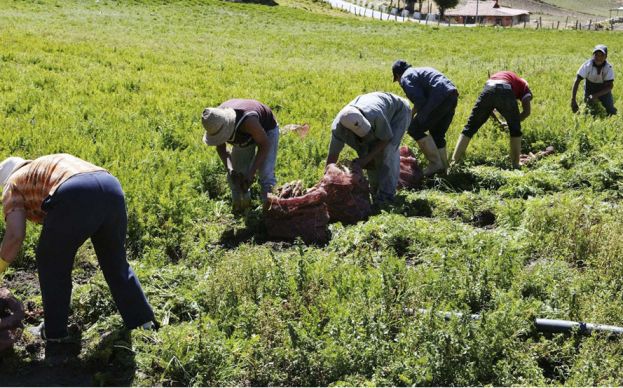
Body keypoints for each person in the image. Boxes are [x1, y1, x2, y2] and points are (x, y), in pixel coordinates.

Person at [0, 154, 156, 344]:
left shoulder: (12, 183)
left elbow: (15, 236)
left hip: (75, 192)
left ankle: (54, 332)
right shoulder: (42, 168)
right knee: (115, 262)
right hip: (110, 186)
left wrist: (0, 266)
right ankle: (143, 323)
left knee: (51, 261)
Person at [326, 92, 411, 205]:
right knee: (366, 150)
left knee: (388, 150)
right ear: (348, 131)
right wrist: (327, 180)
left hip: (398, 113)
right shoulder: (338, 129)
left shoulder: (375, 115)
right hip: (375, 119)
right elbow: (333, 155)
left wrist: (365, 160)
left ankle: (386, 197)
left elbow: (386, 139)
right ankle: (375, 191)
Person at [202, 99, 279, 212]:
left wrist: (252, 172)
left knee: (265, 174)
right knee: (237, 176)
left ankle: (271, 212)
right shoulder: (214, 120)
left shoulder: (248, 121)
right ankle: (242, 209)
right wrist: (230, 169)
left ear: (228, 127)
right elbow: (221, 148)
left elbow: (264, 145)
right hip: (243, 137)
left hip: (267, 130)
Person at [451, 71, 532, 169]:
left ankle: (454, 163)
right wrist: (512, 122)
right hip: (505, 89)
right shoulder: (524, 87)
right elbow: (527, 112)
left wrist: (499, 123)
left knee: (469, 128)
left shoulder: (505, 77)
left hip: (488, 88)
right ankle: (515, 164)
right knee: (515, 130)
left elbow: (488, 108)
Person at [392, 59, 459, 176]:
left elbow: (420, 101)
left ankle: (435, 163)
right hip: (451, 95)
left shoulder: (405, 77)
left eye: (397, 80)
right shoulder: (421, 70)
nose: (399, 82)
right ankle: (444, 168)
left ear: (398, 75)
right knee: (437, 133)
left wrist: (410, 115)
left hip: (439, 98)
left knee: (414, 128)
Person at [571, 44, 616, 116]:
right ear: (593, 55)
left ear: (606, 57)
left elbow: (610, 86)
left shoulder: (608, 68)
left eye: (602, 55)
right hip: (590, 89)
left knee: (611, 111)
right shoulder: (587, 65)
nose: (599, 57)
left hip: (604, 91)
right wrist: (573, 100)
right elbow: (577, 81)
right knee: (589, 111)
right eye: (596, 55)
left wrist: (596, 95)